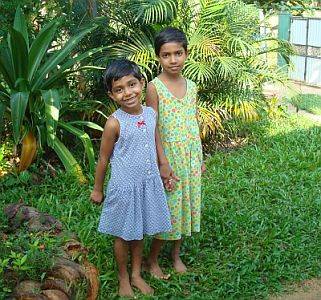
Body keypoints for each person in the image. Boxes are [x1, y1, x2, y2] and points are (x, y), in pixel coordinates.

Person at [90, 59, 176, 297]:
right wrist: (97, 189)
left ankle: (137, 274)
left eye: (132, 85)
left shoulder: (150, 114)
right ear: (111, 95)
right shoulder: (113, 123)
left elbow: (154, 139)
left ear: (142, 83)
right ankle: (123, 278)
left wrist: (164, 164)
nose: (127, 93)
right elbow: (103, 159)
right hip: (124, 188)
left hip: (146, 185)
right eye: (119, 89)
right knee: (123, 234)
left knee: (138, 231)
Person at [146, 27, 206, 279]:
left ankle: (176, 255)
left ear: (186, 53)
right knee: (169, 210)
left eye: (178, 53)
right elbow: (153, 128)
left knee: (186, 206)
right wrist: (162, 162)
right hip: (169, 159)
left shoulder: (191, 86)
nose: (173, 60)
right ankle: (152, 261)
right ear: (158, 57)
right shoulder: (154, 87)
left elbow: (192, 121)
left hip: (190, 158)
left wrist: (200, 158)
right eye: (166, 55)